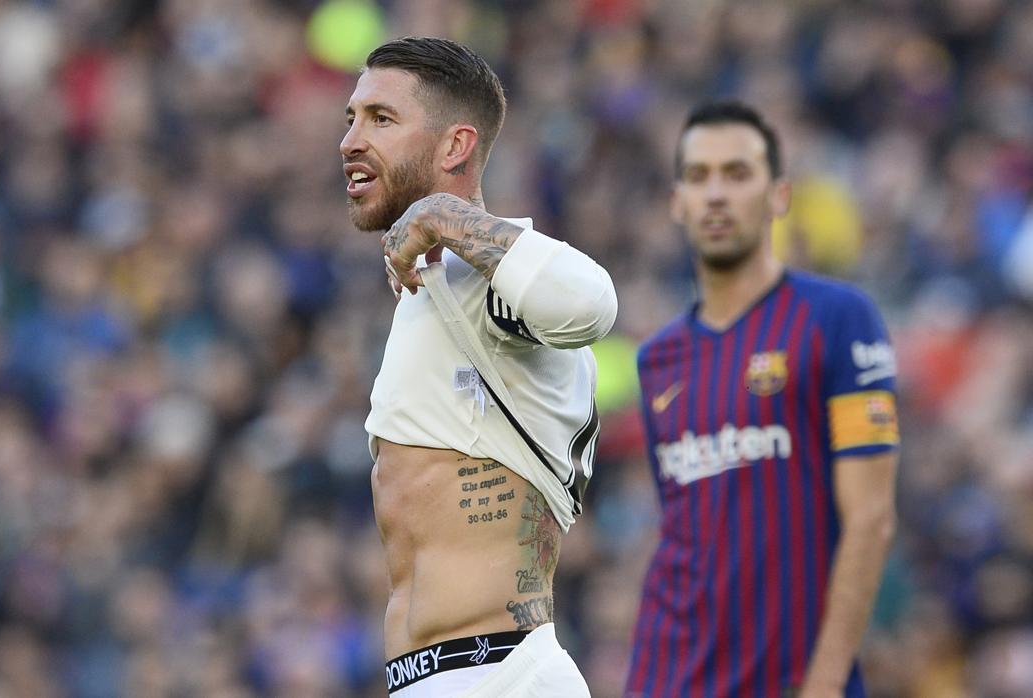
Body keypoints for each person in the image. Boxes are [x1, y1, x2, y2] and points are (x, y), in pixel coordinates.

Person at [341, 37, 617, 697]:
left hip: (497, 671)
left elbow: (593, 302)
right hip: (440, 675)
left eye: (381, 119)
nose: (351, 140)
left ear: (455, 146)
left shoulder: (494, 283)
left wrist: (443, 214)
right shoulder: (439, 285)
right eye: (350, 119)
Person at [626, 100, 900, 698]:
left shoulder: (838, 318)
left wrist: (825, 682)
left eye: (737, 173)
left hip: (794, 679)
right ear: (677, 202)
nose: (715, 194)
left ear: (779, 195)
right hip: (669, 675)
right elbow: (684, 528)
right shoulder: (658, 360)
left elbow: (871, 518)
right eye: (698, 177)